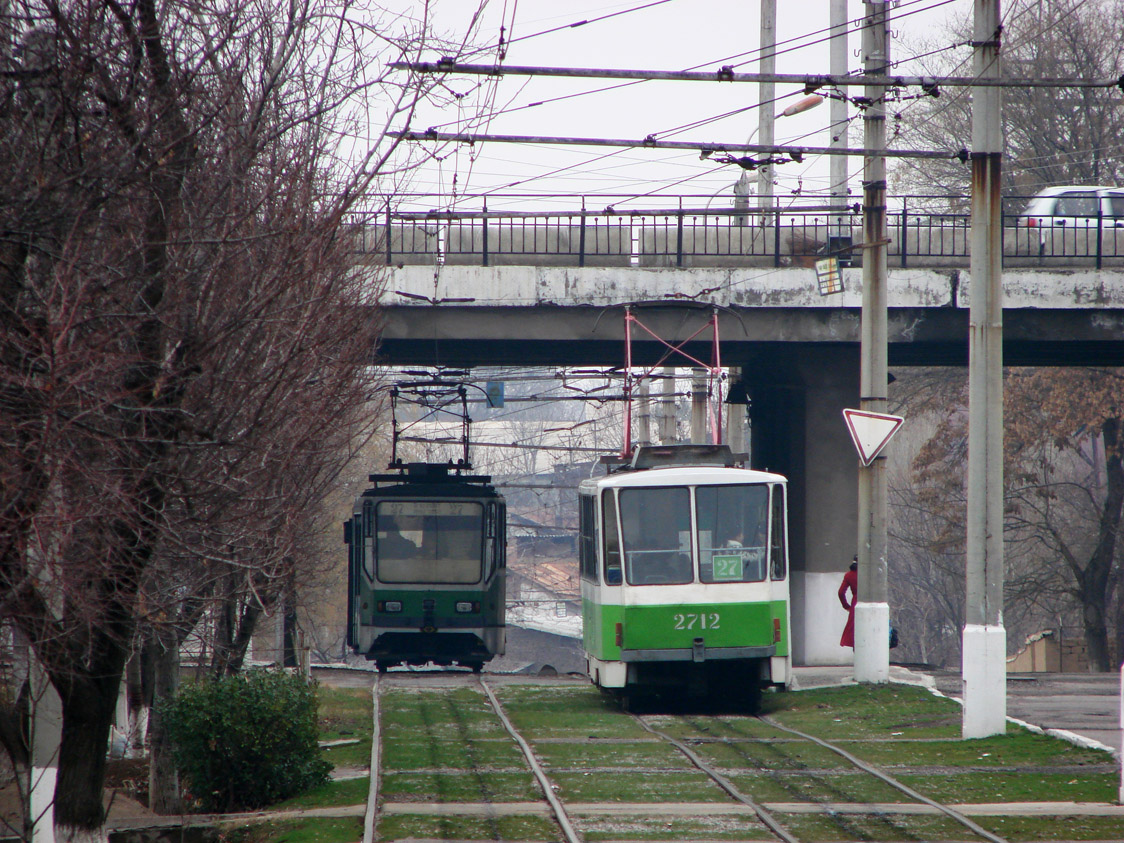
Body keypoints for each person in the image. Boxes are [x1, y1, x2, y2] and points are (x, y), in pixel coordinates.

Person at [838, 556, 858, 649]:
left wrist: (846, 606)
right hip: (869, 601)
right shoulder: (869, 575)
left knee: (854, 629)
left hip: (855, 603)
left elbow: (841, 592)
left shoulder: (849, 575)